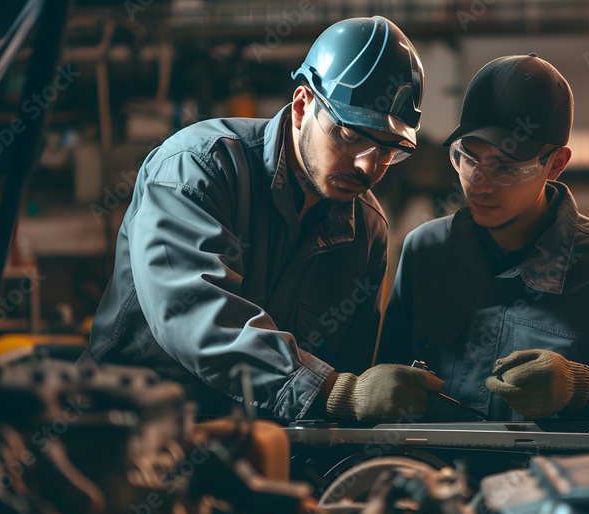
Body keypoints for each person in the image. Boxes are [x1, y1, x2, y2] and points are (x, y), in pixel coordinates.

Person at [89, 16, 445, 421]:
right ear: (301, 106)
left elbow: (350, 372)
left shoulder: (367, 229)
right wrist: (332, 391)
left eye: (388, 149)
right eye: (350, 135)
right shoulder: (199, 169)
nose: (367, 165)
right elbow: (196, 318)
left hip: (255, 447)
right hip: (125, 431)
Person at [376, 54, 589, 420]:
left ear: (557, 163)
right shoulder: (426, 252)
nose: (479, 184)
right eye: (468, 157)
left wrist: (581, 391)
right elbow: (386, 394)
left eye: (505, 166)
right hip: (430, 474)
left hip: (553, 477)